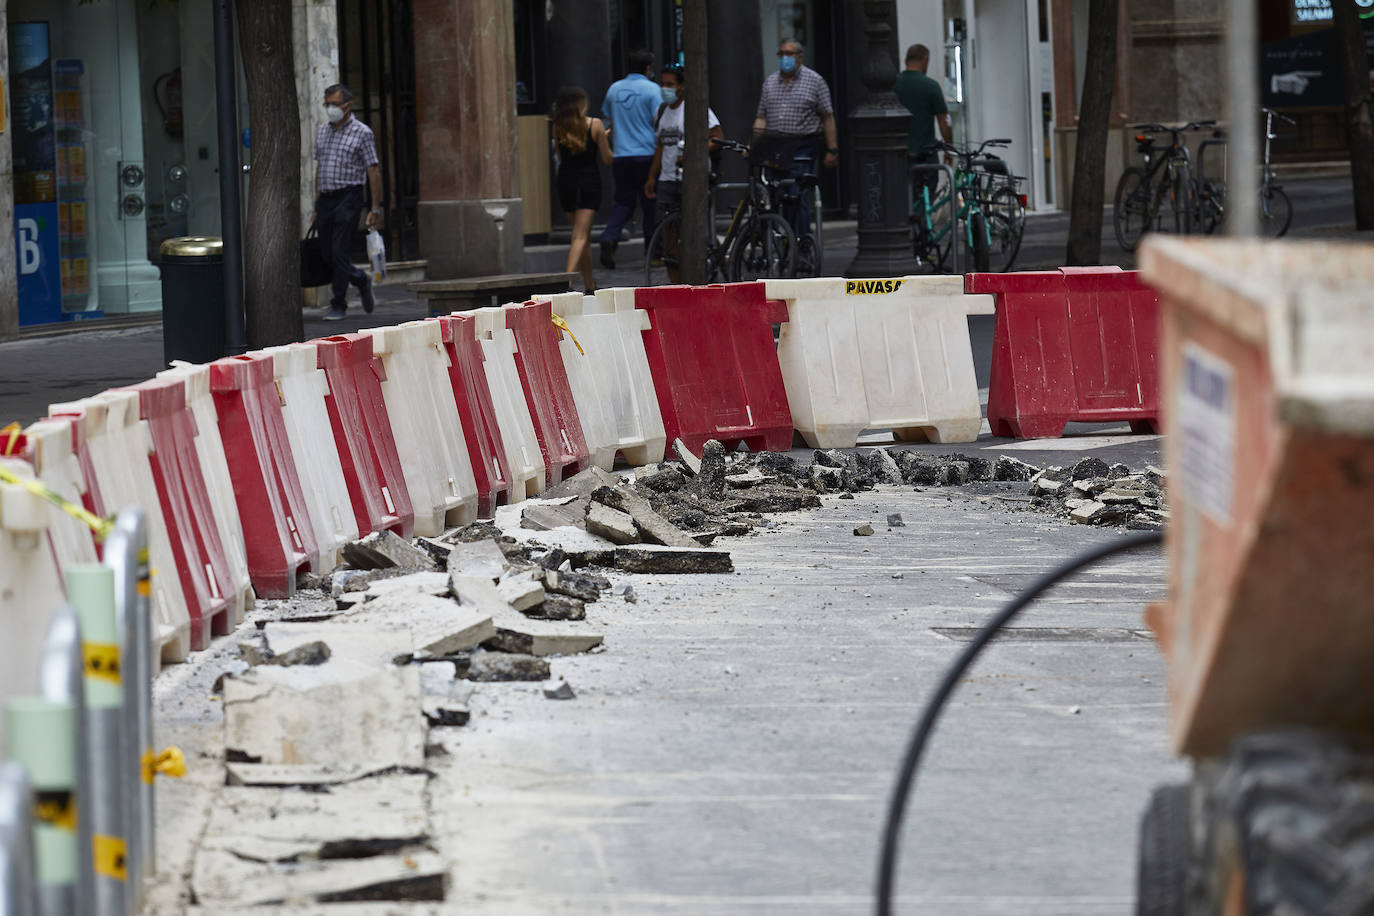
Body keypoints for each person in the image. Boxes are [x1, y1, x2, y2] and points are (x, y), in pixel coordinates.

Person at [643, 66, 724, 283]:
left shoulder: (696, 109)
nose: (665, 88)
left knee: (696, 228)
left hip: (692, 178)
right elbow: (660, 146)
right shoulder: (662, 111)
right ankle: (676, 283)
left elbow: (717, 137)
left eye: (670, 84)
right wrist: (652, 176)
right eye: (663, 84)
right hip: (667, 178)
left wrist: (693, 154)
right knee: (668, 231)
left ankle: (717, 257)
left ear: (682, 87)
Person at [751, 38, 838, 239]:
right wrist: (753, 145)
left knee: (796, 194)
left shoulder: (815, 81)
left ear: (799, 56)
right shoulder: (770, 82)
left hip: (802, 145)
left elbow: (827, 115)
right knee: (771, 193)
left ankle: (800, 244)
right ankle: (777, 242)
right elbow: (761, 117)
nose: (784, 58)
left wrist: (832, 149)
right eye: (781, 54)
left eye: (789, 54)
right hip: (774, 145)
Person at [313, 83, 382, 320]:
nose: (330, 109)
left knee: (339, 249)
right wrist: (316, 202)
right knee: (326, 253)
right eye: (327, 104)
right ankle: (360, 278)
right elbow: (320, 167)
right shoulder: (322, 131)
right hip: (326, 198)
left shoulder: (362, 133)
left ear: (348, 106)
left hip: (349, 196)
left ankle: (338, 303)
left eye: (335, 104)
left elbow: (373, 170)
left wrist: (375, 207)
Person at [598, 49, 661, 269]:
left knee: (623, 202)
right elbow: (658, 122)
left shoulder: (614, 89)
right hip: (647, 155)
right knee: (650, 204)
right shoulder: (653, 90)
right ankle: (652, 253)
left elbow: (608, 121)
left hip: (622, 155)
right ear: (648, 68)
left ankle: (610, 236)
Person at [553, 86, 613, 293]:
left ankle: (590, 285)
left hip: (566, 182)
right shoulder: (595, 124)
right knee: (580, 235)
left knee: (582, 235)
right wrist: (604, 138)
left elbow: (561, 156)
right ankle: (567, 284)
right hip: (588, 182)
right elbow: (607, 159)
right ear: (581, 105)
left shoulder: (558, 126)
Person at [894, 43, 953, 247]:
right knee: (926, 196)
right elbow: (943, 121)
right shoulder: (931, 86)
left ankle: (909, 233)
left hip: (900, 154)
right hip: (927, 154)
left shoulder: (895, 85)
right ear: (924, 60)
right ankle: (923, 234)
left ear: (906, 60)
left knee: (905, 196)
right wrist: (949, 147)